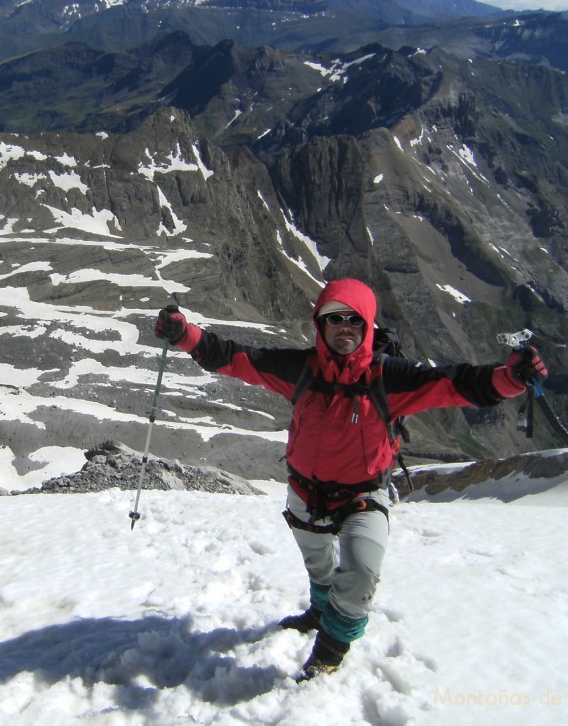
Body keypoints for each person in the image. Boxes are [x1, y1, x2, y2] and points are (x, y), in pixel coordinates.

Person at [153, 278, 547, 681]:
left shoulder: (388, 378)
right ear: (319, 325)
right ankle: (320, 612)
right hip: (304, 494)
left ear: (368, 325)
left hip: (364, 495)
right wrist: (185, 334)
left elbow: (458, 383)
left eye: (354, 320)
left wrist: (510, 378)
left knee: (359, 574)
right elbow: (235, 358)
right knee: (321, 568)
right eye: (334, 319)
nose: (344, 327)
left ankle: (328, 653)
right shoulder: (301, 369)